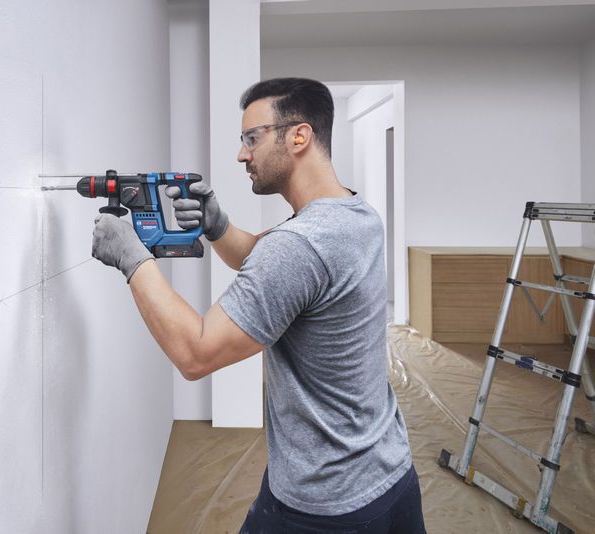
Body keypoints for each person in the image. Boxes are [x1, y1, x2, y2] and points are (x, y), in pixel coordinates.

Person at [90, 77, 425, 533]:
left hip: (325, 503)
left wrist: (132, 259)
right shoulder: (355, 213)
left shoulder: (298, 246)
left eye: (252, 138)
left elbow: (196, 353)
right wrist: (217, 226)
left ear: (299, 136)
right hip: (389, 472)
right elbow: (272, 263)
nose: (241, 154)